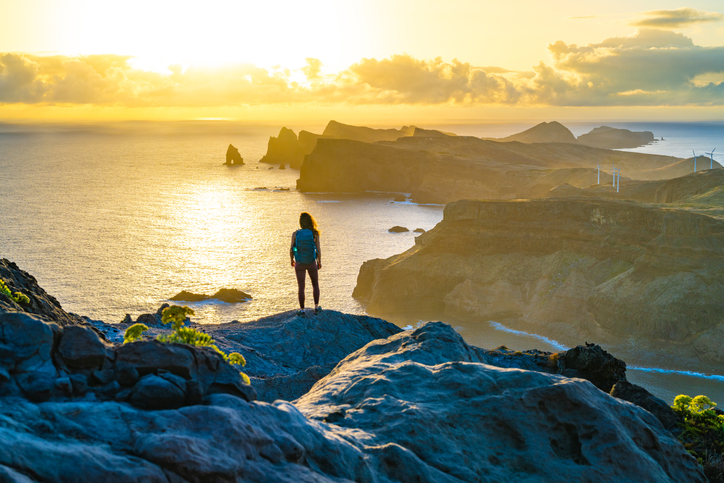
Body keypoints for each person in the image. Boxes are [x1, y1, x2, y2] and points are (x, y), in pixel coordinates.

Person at [290, 212, 322, 315]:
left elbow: (291, 249)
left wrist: (292, 260)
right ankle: (316, 307)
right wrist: (319, 262)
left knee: (301, 287)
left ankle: (302, 310)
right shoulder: (314, 233)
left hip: (299, 262)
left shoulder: (295, 234)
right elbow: (318, 250)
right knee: (315, 284)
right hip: (311, 262)